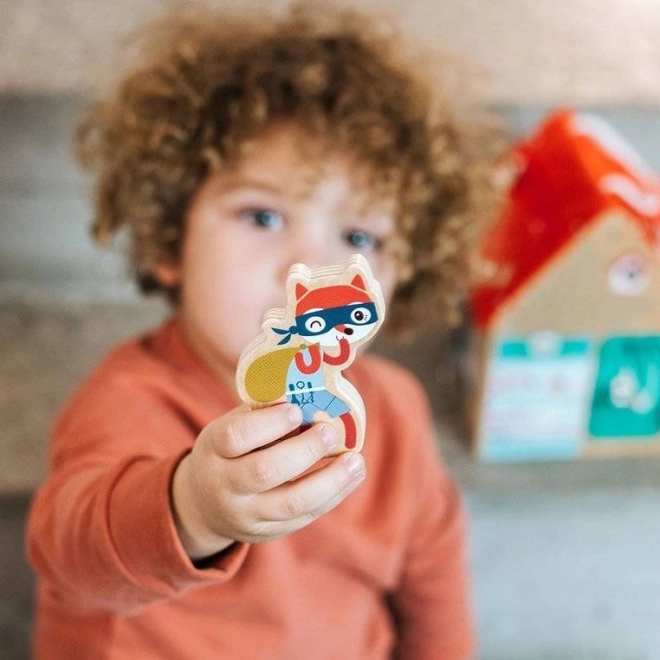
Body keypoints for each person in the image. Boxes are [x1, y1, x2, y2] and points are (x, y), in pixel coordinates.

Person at [26, 4, 499, 658]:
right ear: (171, 236)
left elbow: (435, 587)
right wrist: (191, 507)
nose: (307, 267)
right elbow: (66, 554)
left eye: (358, 236)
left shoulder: (393, 411)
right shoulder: (130, 400)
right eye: (263, 218)